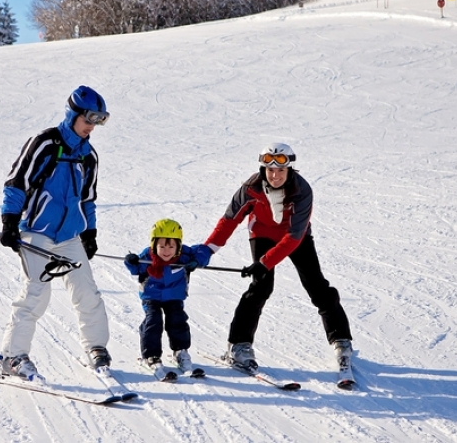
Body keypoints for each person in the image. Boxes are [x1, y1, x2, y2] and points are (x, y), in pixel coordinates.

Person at [204, 143, 354, 372]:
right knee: (261, 287)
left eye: (281, 170)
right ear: (263, 169)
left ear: (290, 170)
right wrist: (207, 251)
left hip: (295, 235)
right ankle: (239, 345)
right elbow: (229, 220)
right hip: (262, 233)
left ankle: (341, 340)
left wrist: (264, 263)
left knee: (316, 285)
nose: (275, 175)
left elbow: (294, 237)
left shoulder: (302, 191)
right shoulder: (250, 188)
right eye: (270, 170)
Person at [0, 85, 111, 380]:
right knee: (36, 292)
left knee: (87, 291)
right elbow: (16, 182)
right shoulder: (45, 143)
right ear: (73, 115)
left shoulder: (89, 156)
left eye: (98, 121)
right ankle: (12, 357)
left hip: (69, 236)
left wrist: (90, 233)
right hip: (37, 232)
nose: (92, 128)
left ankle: (96, 348)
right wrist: (10, 221)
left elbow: (88, 199)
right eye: (89, 120)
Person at [124, 219, 211, 372]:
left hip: (174, 296)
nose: (166, 251)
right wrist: (131, 261)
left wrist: (196, 261)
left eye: (171, 246)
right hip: (152, 296)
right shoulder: (148, 256)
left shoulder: (184, 255)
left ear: (178, 246)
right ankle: (151, 356)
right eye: (162, 246)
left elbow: (203, 250)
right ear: (154, 245)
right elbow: (135, 268)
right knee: (153, 321)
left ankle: (180, 351)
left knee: (177, 320)